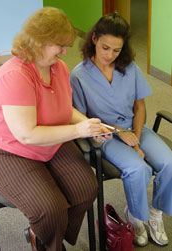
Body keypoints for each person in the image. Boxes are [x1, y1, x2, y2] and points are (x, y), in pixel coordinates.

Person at [0, 7, 110, 251]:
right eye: (60, 45)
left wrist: (88, 124)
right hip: (11, 149)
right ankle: (48, 243)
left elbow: (65, 109)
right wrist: (79, 131)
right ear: (39, 41)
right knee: (50, 209)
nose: (65, 52)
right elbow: (27, 134)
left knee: (86, 189)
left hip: (53, 138)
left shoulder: (59, 68)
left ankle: (44, 234)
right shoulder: (15, 75)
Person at [70, 12, 172, 247]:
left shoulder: (130, 67)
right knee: (137, 169)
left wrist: (136, 138)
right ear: (94, 39)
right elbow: (83, 119)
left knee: (169, 162)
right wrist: (119, 133)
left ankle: (155, 214)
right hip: (104, 135)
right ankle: (136, 217)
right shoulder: (78, 75)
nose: (110, 55)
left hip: (134, 128)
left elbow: (139, 105)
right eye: (105, 47)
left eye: (116, 50)